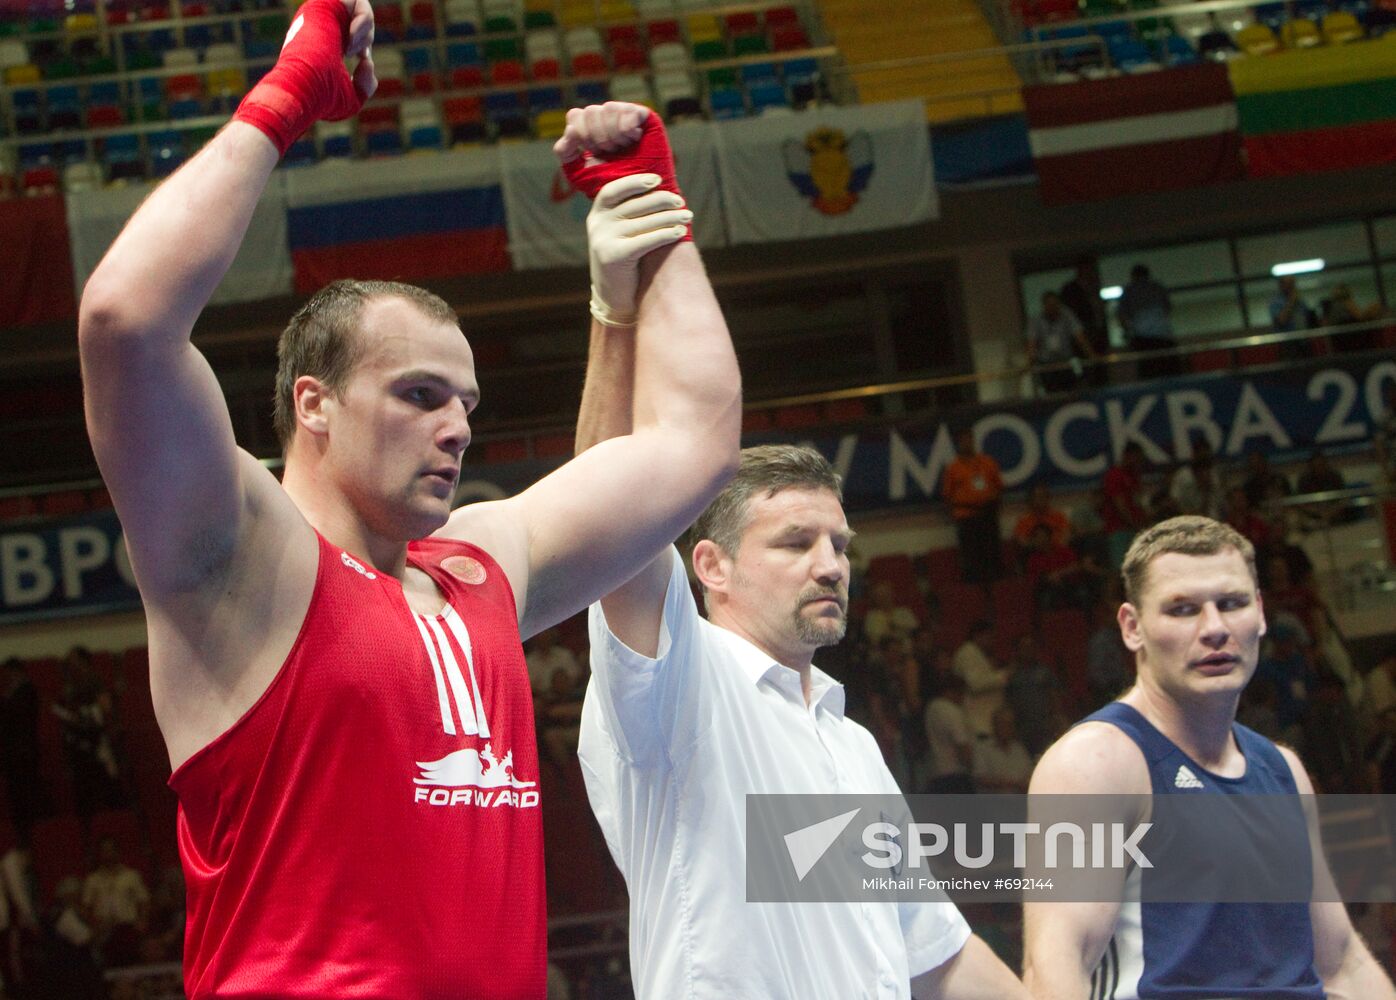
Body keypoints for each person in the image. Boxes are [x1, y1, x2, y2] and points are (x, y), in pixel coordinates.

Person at [76, 0, 741, 987]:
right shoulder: (242, 559)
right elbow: (127, 320)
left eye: (466, 402)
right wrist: (286, 97)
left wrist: (655, 210)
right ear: (315, 403)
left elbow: (691, 444)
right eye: (419, 395)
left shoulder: (483, 563)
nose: (458, 427)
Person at [577, 444, 1029, 998]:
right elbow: (612, 505)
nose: (831, 566)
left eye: (839, 545)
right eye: (796, 542)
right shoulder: (679, 684)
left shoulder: (852, 742)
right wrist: (621, 352)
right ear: (713, 566)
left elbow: (936, 955)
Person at [1023, 516, 1396, 999]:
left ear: (1260, 613)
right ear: (1132, 627)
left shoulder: (1283, 771)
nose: (1215, 628)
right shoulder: (1096, 763)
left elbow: (1343, 962)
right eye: (1182, 609)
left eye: (1232, 604)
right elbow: (1055, 965)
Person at [942, 428, 1005, 591]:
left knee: (992, 552)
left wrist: (994, 508)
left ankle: (997, 587)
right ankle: (977, 590)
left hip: (988, 513)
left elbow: (999, 487)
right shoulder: (953, 468)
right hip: (966, 516)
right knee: (972, 556)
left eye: (969, 439)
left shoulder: (988, 462)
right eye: (962, 440)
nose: (966, 443)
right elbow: (947, 496)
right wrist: (956, 516)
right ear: (958, 444)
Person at [1024, 291, 1095, 395]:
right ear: (1044, 306)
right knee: (1051, 391)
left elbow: (1079, 337)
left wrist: (1091, 354)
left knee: (1073, 385)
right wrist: (1029, 362)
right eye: (1049, 305)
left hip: (1066, 362)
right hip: (1047, 364)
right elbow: (1031, 343)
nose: (1052, 308)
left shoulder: (1067, 315)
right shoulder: (1036, 320)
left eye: (1055, 304)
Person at [1116, 264, 1179, 380]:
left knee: (1149, 372)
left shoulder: (1129, 290)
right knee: (1169, 371)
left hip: (1143, 339)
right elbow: (1168, 309)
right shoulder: (1158, 287)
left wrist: (1127, 332)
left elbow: (1121, 315)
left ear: (1133, 276)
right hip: (1164, 336)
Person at [1060, 256, 1110, 384]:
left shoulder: (1094, 287)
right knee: (1086, 371)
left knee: (1101, 370)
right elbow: (1071, 318)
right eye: (1087, 269)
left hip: (1099, 336)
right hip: (1082, 338)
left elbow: (1098, 312)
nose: (1090, 273)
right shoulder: (1070, 289)